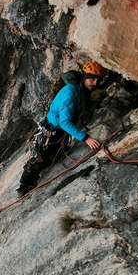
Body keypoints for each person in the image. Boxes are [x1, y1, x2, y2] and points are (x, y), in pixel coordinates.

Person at [17, 60, 107, 197]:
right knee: (39, 160)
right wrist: (86, 138)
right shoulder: (71, 92)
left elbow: (83, 105)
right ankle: (23, 186)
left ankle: (33, 176)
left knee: (53, 156)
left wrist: (98, 105)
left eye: (97, 80)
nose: (95, 83)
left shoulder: (82, 89)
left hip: (59, 131)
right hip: (52, 130)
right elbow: (65, 122)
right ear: (84, 77)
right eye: (92, 79)